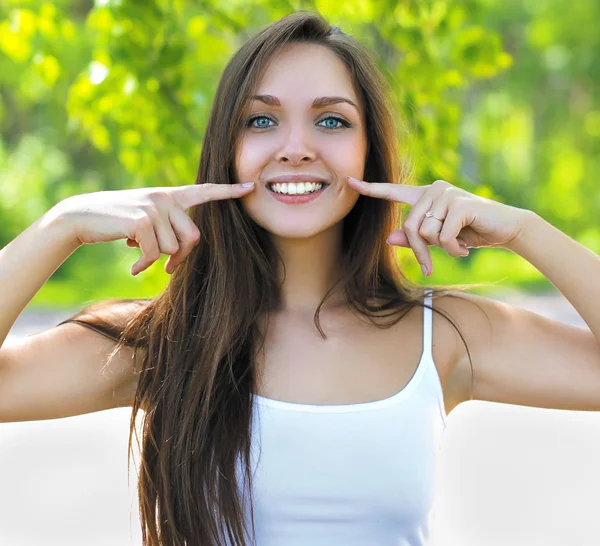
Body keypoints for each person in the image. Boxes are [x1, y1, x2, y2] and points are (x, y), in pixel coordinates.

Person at [2, 9, 600, 546]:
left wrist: (524, 229)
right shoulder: (159, 342)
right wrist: (61, 226)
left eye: (332, 122)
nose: (294, 148)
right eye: (260, 122)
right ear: (226, 150)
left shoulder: (441, 335)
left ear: (370, 149)